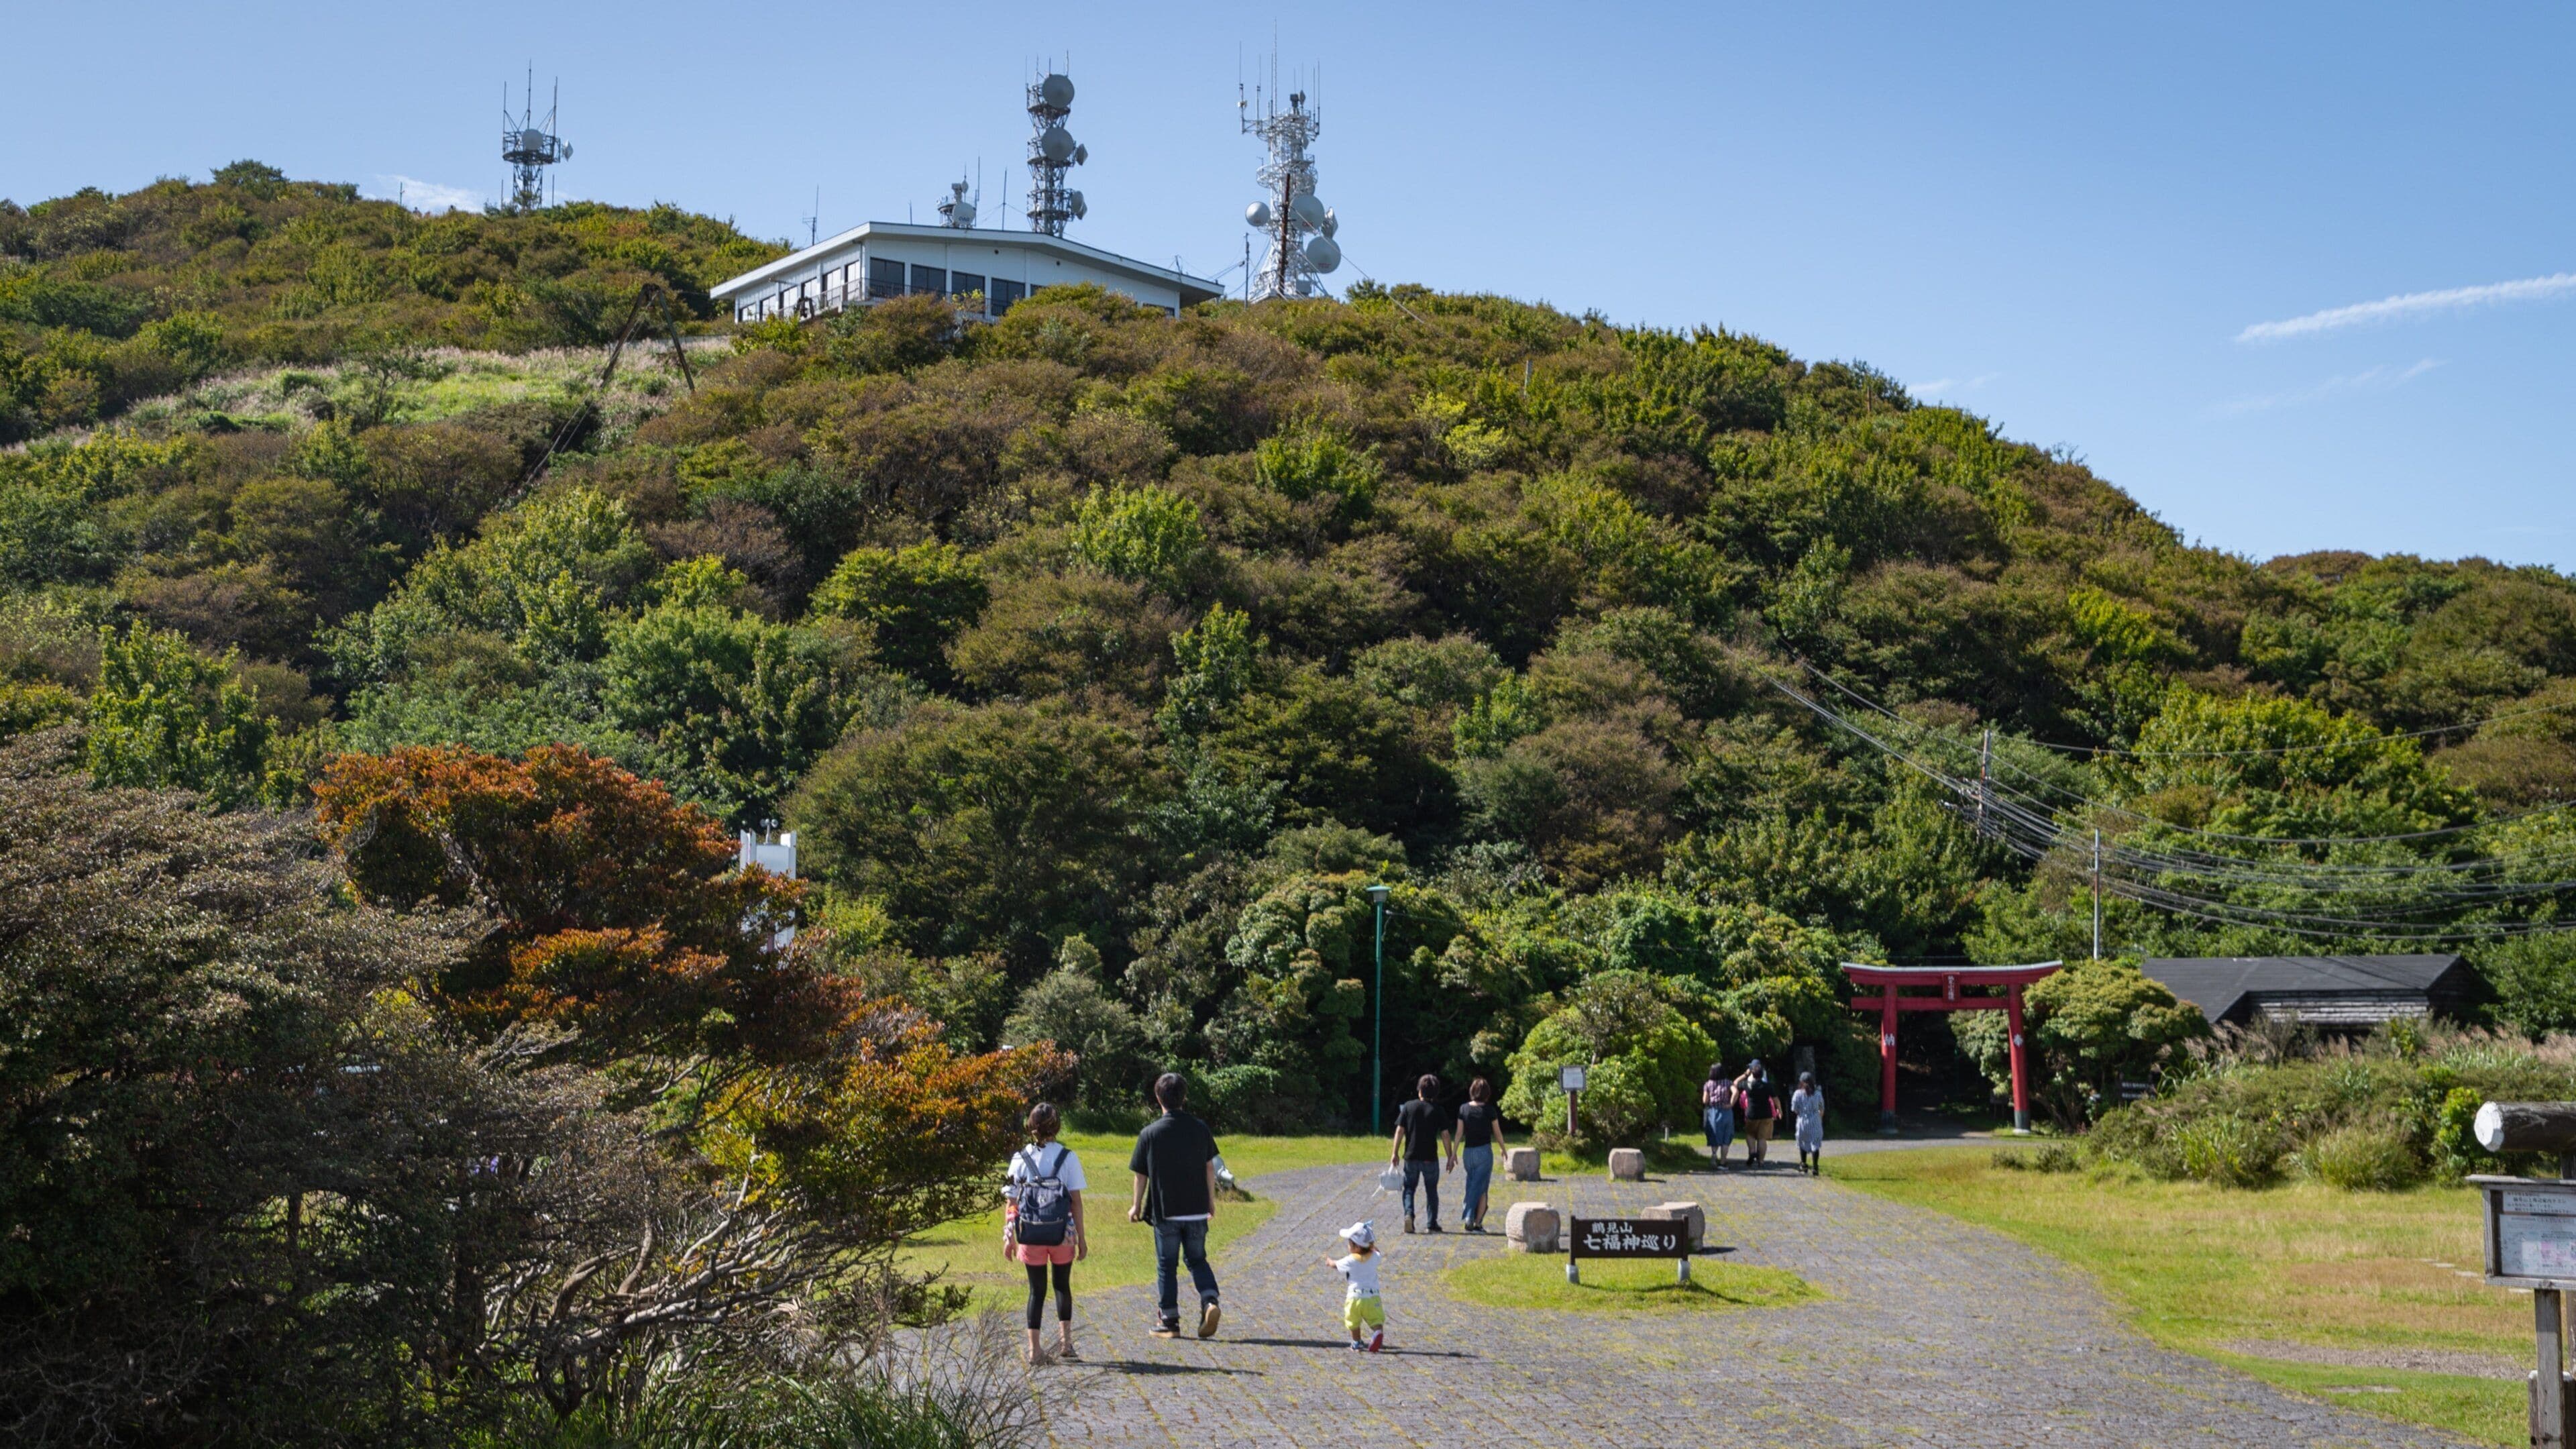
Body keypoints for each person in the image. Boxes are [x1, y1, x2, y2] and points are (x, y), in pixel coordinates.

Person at [1128, 1072, 1222, 1339]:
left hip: (1165, 1210)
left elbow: (1141, 1175)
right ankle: (1210, 1300)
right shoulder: (1200, 1128)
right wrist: (1210, 1203)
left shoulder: (1150, 1133)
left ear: (1158, 1098)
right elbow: (1209, 1168)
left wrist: (1136, 1207)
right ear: (1185, 1097)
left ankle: (1169, 1320)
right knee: (1197, 1258)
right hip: (1196, 1209)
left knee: (1167, 1265)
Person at [1002, 1102, 1087, 1366]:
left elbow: (1011, 1203)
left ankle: (1034, 1350)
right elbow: (1076, 1202)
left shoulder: (1019, 1158)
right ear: (1057, 1126)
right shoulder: (1068, 1157)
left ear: (1031, 1126)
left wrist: (1008, 1237)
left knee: (1036, 1291)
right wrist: (1082, 1239)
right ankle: (1066, 1344)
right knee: (1062, 1285)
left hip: (1030, 1232)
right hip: (1063, 1232)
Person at [1390, 1073, 1453, 1234]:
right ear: (1436, 1092)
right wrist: (1450, 1156)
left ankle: (1409, 1215)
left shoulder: (1409, 1107)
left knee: (1409, 1188)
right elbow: (1445, 1135)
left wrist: (1395, 1153)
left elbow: (1400, 1130)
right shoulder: (1438, 1110)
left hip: (1411, 1156)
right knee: (1431, 1189)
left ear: (1419, 1090)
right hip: (1430, 1158)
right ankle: (1432, 1223)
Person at [1321, 1220, 1387, 1352]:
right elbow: (1378, 1252)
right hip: (1372, 1296)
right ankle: (1377, 1332)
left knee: (1353, 1321)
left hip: (1355, 1297)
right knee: (1376, 1319)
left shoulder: (1351, 1260)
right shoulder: (1374, 1257)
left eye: (1349, 1244)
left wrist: (1329, 1262)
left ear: (1356, 1247)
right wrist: (1372, 1246)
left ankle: (1357, 1342)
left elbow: (1336, 1265)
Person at [1454, 1078, 1507, 1232]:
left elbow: (1458, 1134)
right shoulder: (1490, 1110)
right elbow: (1497, 1133)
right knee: (1481, 1188)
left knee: (1472, 1185)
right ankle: (1474, 1220)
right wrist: (1503, 1149)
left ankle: (1473, 1219)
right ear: (1486, 1093)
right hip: (1484, 1152)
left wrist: (1454, 1153)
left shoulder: (1463, 1109)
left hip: (1468, 1153)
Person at [1735, 1060, 1779, 1167]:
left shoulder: (1747, 1085)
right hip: (1766, 1115)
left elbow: (1736, 1083)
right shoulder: (1768, 1086)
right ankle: (1761, 1161)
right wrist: (1780, 1110)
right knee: (1762, 1138)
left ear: (1752, 1073)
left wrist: (1746, 1074)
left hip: (1752, 1114)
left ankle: (1752, 1152)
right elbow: (1776, 1099)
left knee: (1750, 1134)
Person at [1700, 1063, 1737, 1170]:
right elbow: (1736, 1092)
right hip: (1727, 1111)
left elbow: (1705, 1100)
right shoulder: (1728, 1082)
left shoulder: (1708, 1084)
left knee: (1715, 1135)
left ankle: (1714, 1155)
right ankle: (1723, 1162)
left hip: (1713, 1112)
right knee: (1726, 1138)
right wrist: (1731, 1103)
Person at [1790, 1071, 1827, 1175]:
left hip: (1803, 1120)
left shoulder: (1797, 1094)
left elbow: (1794, 1109)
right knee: (1815, 1144)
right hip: (1815, 1120)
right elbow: (1822, 1109)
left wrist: (1802, 1113)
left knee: (1803, 1142)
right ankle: (1815, 1167)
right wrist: (1819, 1118)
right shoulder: (1818, 1094)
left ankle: (1804, 1164)